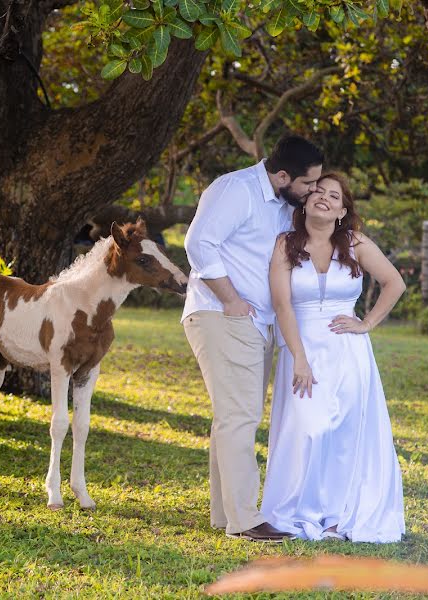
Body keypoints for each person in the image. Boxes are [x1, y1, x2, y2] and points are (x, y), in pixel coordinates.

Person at [182, 135, 323, 542]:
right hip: (222, 314)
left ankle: (224, 514)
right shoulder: (236, 190)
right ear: (282, 175)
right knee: (240, 416)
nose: (312, 190)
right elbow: (198, 242)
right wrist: (231, 300)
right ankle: (245, 520)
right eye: (308, 183)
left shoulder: (284, 205)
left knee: (234, 416)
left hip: (257, 323)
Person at [261, 172, 406, 543]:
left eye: (334, 196)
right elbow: (282, 305)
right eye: (318, 192)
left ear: (343, 210)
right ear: (306, 203)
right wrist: (299, 358)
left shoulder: (355, 243)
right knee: (308, 428)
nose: (324, 198)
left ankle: (338, 515)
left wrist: (367, 323)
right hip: (302, 347)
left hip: (348, 351)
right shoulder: (285, 244)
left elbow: (395, 283)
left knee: (345, 432)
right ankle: (303, 509)